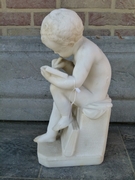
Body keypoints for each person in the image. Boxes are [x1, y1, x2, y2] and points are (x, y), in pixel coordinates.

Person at [34, 8, 112, 143]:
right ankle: (51, 134)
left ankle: (66, 117)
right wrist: (66, 65)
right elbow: (80, 74)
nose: (55, 53)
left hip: (94, 98)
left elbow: (76, 82)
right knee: (58, 98)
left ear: (70, 44)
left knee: (56, 89)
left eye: (57, 50)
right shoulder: (81, 47)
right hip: (87, 90)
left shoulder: (86, 52)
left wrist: (51, 78)